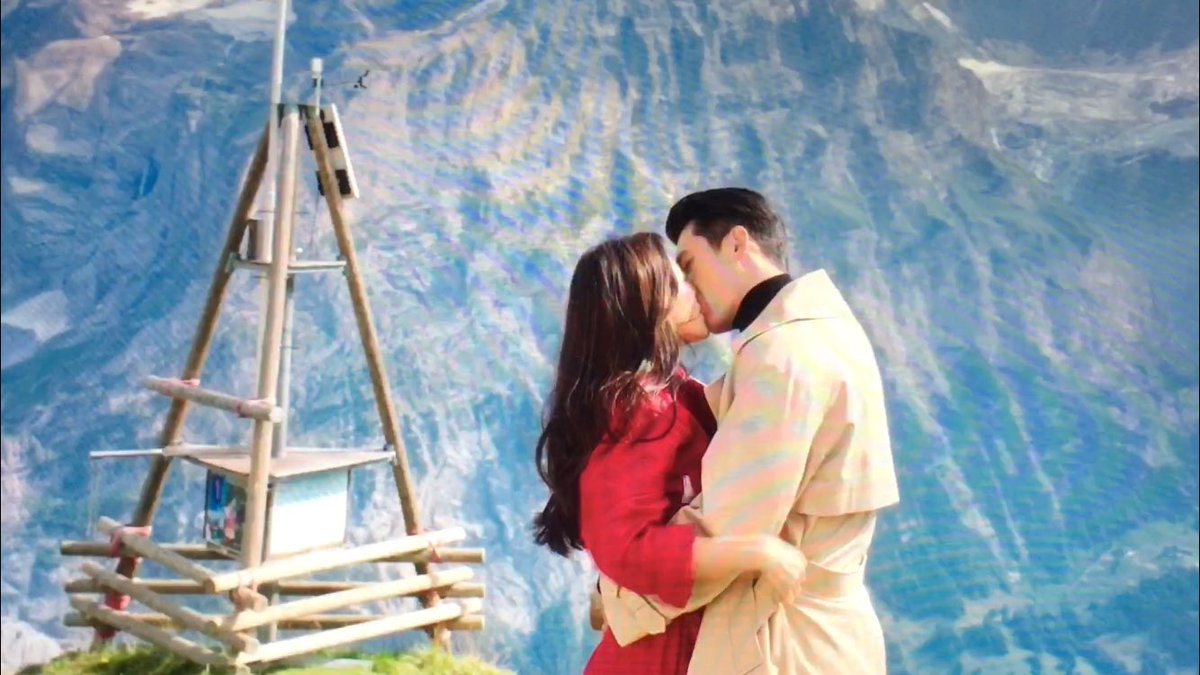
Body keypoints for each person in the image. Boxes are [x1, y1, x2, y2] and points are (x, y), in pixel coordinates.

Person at [595, 188, 901, 674]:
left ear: (737, 244)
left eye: (690, 266)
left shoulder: (783, 355)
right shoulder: (827, 331)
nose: (688, 288)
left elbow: (731, 520)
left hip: (785, 642)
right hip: (827, 633)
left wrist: (618, 592)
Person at [532, 232, 807, 675]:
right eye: (678, 281)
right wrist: (755, 553)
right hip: (658, 657)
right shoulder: (638, 409)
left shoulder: (669, 396)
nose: (694, 289)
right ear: (645, 305)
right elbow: (626, 546)